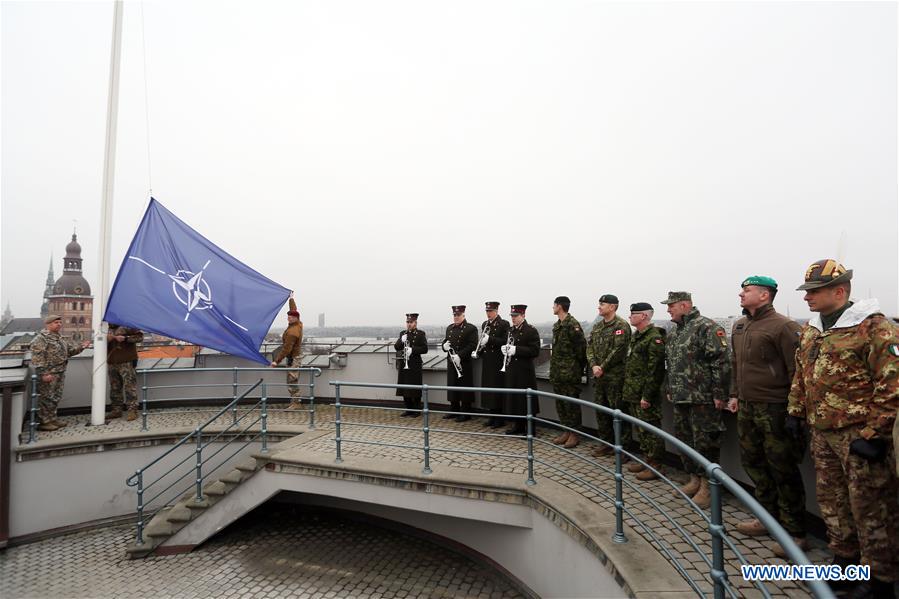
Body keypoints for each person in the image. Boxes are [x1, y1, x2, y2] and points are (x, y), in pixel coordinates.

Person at [787, 259, 898, 596]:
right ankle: (845, 564)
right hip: (823, 433)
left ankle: (879, 580)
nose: (807, 297)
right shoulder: (813, 329)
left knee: (871, 507)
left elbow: (892, 383)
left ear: (839, 291)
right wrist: (795, 412)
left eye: (814, 291)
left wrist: (876, 434)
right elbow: (802, 373)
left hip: (858, 434)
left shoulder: (873, 327)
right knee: (833, 501)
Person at [727, 276, 806, 558]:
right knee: (754, 463)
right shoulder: (740, 325)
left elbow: (798, 372)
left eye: (746, 290)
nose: (741, 294)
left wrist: (796, 411)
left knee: (782, 468)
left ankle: (794, 532)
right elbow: (736, 363)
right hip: (747, 406)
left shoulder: (783, 326)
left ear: (764, 295)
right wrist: (734, 394)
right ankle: (766, 518)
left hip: (775, 407)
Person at [662, 291, 730, 510]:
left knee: (705, 443)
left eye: (671, 305)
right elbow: (671, 363)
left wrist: (719, 393)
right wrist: (670, 388)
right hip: (681, 397)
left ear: (684, 305)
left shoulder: (706, 327)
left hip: (703, 398)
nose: (668, 309)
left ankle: (709, 486)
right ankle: (694, 479)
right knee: (685, 440)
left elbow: (720, 362)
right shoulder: (675, 332)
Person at [621, 302, 666, 481]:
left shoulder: (654, 338)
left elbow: (655, 371)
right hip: (633, 392)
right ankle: (647, 460)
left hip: (645, 395)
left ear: (644, 316)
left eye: (634, 314)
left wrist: (647, 395)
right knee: (640, 429)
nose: (630, 317)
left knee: (650, 430)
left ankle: (656, 466)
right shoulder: (637, 336)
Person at [586, 294, 632, 457]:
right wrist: (593, 365)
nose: (599, 307)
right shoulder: (597, 326)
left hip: (615, 379)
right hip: (600, 379)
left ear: (612, 307)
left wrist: (602, 367)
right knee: (602, 413)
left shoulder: (621, 325)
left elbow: (619, 350)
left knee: (619, 414)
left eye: (602, 304)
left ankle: (624, 450)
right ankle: (606, 444)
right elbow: (589, 347)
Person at [29, 315, 90, 431]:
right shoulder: (41, 339)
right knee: (46, 398)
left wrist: (82, 347)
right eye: (56, 322)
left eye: (60, 322)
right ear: (48, 324)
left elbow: (69, 352)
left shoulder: (59, 338)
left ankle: (52, 418)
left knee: (55, 397)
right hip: (49, 373)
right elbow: (37, 358)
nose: (59, 324)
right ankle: (44, 422)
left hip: (60, 372)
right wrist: (44, 373)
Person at [549, 296, 587, 448]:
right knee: (561, 404)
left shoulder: (572, 325)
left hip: (570, 373)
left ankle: (574, 434)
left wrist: (576, 369)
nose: (552, 307)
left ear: (559, 306)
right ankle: (566, 430)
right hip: (558, 373)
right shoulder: (557, 325)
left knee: (571, 404)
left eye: (554, 305)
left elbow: (581, 350)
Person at [502, 305, 541, 435]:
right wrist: (506, 349)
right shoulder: (510, 330)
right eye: (512, 316)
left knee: (527, 400)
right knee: (515, 399)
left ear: (523, 315)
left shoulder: (531, 330)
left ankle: (530, 429)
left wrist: (516, 350)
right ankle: (518, 426)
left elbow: (535, 351)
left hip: (525, 371)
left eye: (516, 316)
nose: (513, 318)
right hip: (513, 370)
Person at [474, 302, 510, 429]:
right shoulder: (485, 324)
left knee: (497, 390)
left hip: (497, 361)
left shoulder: (504, 324)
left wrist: (490, 339)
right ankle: (492, 416)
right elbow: (483, 343)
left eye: (490, 311)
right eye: (487, 311)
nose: (488, 313)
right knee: (488, 390)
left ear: (496, 311)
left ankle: (499, 419)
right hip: (487, 361)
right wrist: (478, 351)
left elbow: (505, 341)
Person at [441, 305, 478, 421]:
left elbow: (472, 345)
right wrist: (444, 346)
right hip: (452, 362)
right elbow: (446, 341)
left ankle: (466, 413)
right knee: (453, 387)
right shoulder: (450, 328)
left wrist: (460, 355)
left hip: (464, 363)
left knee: (464, 388)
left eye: (458, 315)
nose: (456, 317)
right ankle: (454, 410)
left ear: (463, 315)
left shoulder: (471, 328)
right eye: (454, 315)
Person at [270, 293, 304, 409]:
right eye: (288, 316)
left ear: (296, 318)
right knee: (292, 379)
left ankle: (296, 403)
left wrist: (276, 361)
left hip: (293, 359)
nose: (288, 318)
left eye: (291, 317)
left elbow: (286, 349)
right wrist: (291, 299)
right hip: (295, 357)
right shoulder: (298, 324)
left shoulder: (292, 332)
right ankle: (295, 401)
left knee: (292, 380)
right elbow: (294, 310)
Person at [107, 323, 144, 421]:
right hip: (112, 362)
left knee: (129, 387)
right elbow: (98, 342)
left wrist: (126, 339)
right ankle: (116, 410)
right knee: (115, 388)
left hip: (126, 362)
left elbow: (140, 337)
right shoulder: (105, 329)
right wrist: (107, 339)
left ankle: (132, 410)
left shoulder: (127, 325)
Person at [393, 313, 428, 417]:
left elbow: (425, 349)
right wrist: (401, 340)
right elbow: (396, 347)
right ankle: (408, 409)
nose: (409, 324)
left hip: (415, 364)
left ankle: (416, 410)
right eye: (407, 322)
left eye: (411, 322)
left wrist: (412, 350)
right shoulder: (403, 333)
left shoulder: (420, 334)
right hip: (404, 364)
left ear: (415, 323)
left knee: (415, 388)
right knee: (404, 387)